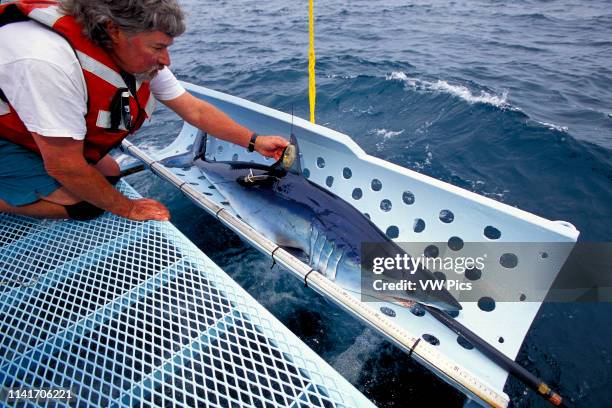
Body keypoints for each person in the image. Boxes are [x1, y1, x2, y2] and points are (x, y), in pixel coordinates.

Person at [0, 0, 288, 222]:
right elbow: (64, 166)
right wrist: (128, 208)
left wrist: (254, 140)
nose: (166, 59)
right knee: (86, 205)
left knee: (110, 174)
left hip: (27, 124)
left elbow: (195, 111)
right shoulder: (47, 62)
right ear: (113, 30)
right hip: (6, 137)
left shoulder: (132, 53)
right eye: (158, 47)